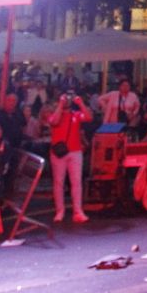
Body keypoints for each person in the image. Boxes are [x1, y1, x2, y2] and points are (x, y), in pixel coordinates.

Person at [47, 92, 92, 224]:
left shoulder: (76, 115)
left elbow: (89, 118)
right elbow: (54, 121)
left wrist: (80, 103)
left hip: (75, 151)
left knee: (76, 182)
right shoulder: (53, 114)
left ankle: (78, 211)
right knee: (58, 182)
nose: (67, 100)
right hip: (58, 152)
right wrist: (60, 104)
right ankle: (59, 211)